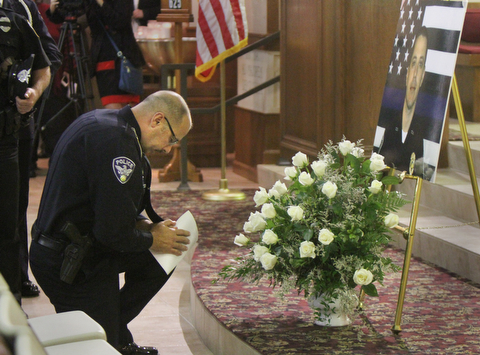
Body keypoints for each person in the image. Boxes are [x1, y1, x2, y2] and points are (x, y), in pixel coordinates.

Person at [30, 90, 192, 355]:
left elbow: (109, 207)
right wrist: (153, 237)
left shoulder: (108, 123)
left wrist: (148, 228)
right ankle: (110, 332)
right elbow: (112, 234)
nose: (167, 148)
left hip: (80, 248)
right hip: (68, 264)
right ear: (158, 120)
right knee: (98, 346)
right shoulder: (118, 143)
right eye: (172, 139)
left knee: (165, 255)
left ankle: (112, 326)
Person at [1, 0, 62, 298]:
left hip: (14, 125)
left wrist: (30, 93)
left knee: (13, 208)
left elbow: (48, 56)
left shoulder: (21, 8)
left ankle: (16, 278)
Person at [48, 0, 146, 109]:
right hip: (103, 59)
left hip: (124, 57)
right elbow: (70, 14)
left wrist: (101, 2)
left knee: (128, 112)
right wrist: (54, 9)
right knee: (111, 112)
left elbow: (120, 21)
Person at [374, 26, 442, 181]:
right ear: (406, 74)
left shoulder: (424, 133)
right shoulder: (389, 125)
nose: (415, 75)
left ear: (424, 75)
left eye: (420, 64)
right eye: (413, 63)